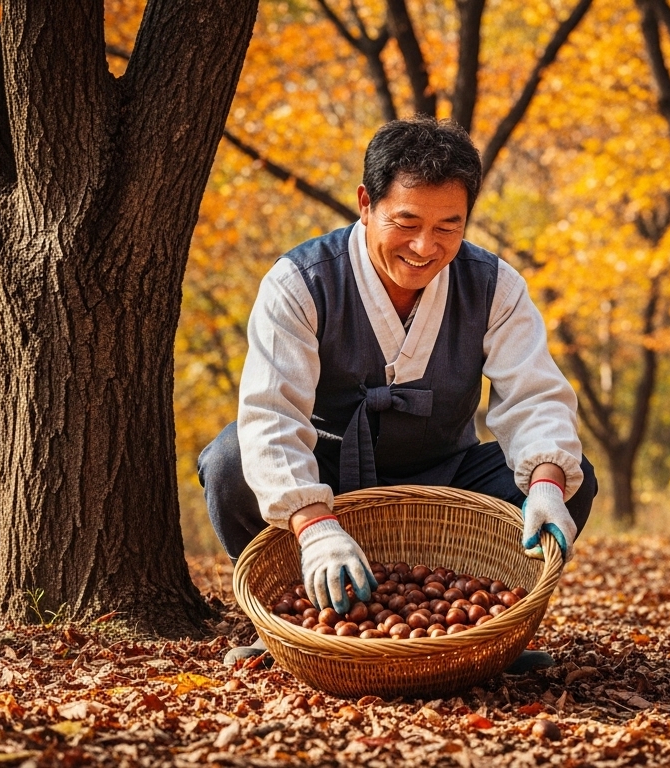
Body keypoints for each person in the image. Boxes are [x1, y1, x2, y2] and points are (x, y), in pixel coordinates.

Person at [199, 116, 597, 670]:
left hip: (446, 475)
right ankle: (295, 629)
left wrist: (548, 482)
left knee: (566, 478)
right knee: (231, 461)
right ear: (366, 203)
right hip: (328, 474)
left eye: (448, 227)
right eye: (405, 222)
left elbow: (534, 397)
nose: (424, 246)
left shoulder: (494, 285)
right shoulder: (300, 282)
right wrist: (313, 525)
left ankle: (484, 634)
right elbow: (270, 414)